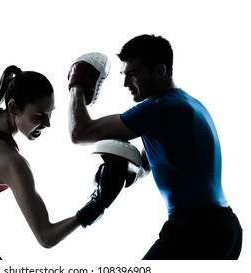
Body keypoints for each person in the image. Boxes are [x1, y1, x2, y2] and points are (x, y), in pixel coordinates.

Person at [0, 9, 137, 260]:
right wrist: (98, 203)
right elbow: (47, 237)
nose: (47, 124)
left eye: (50, 114)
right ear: (13, 107)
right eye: (39, 116)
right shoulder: (11, 162)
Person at [67, 34, 243, 259]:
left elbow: (79, 132)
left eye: (133, 74)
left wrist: (77, 84)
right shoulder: (188, 103)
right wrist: (125, 174)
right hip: (224, 228)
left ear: (160, 71)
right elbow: (147, 165)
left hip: (197, 228)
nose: (125, 83)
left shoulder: (160, 107)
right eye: (124, 75)